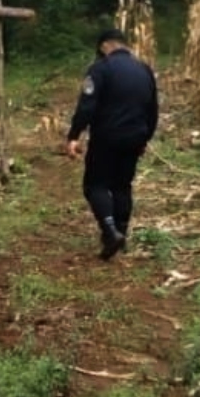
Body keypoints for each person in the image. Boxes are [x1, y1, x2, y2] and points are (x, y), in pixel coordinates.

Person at [66, 29, 159, 260]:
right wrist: (145, 139)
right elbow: (153, 109)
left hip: (106, 138)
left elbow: (87, 106)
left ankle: (110, 231)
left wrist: (74, 136)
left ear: (105, 46)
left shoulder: (100, 69)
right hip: (135, 138)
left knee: (95, 185)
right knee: (122, 185)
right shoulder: (144, 70)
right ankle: (121, 233)